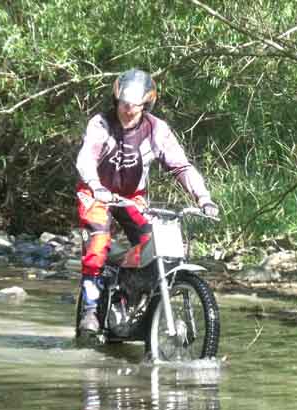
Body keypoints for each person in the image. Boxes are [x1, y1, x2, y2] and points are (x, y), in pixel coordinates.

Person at [75, 68, 218, 333]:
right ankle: (91, 311)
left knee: (155, 245)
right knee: (97, 245)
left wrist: (203, 198)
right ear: (116, 100)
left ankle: (132, 293)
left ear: (146, 104)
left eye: (135, 106)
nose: (128, 110)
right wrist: (95, 185)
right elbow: (86, 157)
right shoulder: (101, 123)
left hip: (132, 196)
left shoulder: (156, 129)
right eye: (124, 104)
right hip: (95, 193)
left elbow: (181, 166)